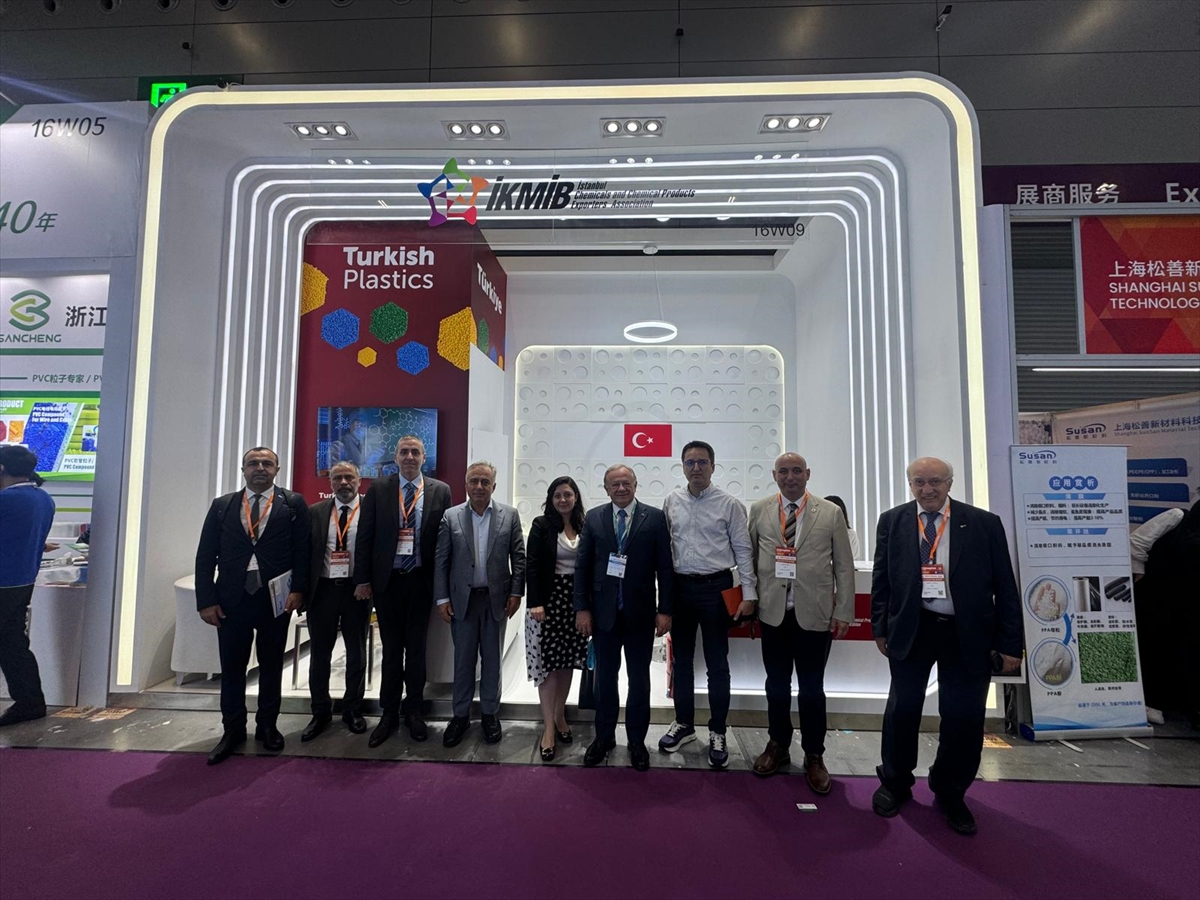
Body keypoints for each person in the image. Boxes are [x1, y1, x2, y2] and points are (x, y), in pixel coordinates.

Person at [871, 456, 1021, 835]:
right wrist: (880, 628)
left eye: (936, 481)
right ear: (910, 484)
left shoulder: (984, 523)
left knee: (963, 716)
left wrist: (1009, 644)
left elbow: (1005, 585)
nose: (928, 489)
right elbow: (882, 580)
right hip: (913, 628)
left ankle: (951, 790)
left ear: (950, 483)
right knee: (902, 709)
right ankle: (895, 781)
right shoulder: (892, 521)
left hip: (966, 632)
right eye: (919, 482)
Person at [195, 447, 310, 765]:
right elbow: (205, 555)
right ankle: (232, 731)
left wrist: (299, 590)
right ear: (243, 469)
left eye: (267, 463)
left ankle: (267, 727)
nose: (260, 468)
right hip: (231, 601)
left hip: (275, 599)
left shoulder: (293, 504)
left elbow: (303, 550)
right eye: (253, 463)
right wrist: (206, 600)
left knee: (272, 667)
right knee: (232, 669)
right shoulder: (223, 506)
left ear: (277, 469)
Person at [748, 453, 855, 792]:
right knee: (776, 686)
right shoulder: (760, 510)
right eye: (784, 471)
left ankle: (814, 754)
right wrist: (749, 599)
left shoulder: (830, 512)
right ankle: (778, 744)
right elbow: (750, 558)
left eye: (797, 471)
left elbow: (843, 566)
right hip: (773, 614)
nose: (790, 477)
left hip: (815, 615)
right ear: (774, 475)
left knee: (811, 689)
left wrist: (844, 611)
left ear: (808, 474)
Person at [660, 440, 757, 769]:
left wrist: (749, 595)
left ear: (713, 467)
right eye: (690, 462)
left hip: (717, 589)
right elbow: (666, 551)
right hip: (680, 589)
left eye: (702, 462)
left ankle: (718, 731)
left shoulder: (729, 505)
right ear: (683, 467)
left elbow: (743, 552)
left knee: (717, 665)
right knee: (682, 662)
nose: (696, 468)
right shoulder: (671, 501)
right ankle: (684, 724)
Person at [574, 465, 674, 771]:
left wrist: (665, 610)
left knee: (639, 680)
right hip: (603, 615)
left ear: (636, 484)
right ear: (606, 488)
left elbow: (665, 567)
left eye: (626, 483)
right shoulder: (594, 518)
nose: (621, 488)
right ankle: (603, 738)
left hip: (640, 615)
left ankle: (636, 741)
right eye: (614, 484)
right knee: (605, 680)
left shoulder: (654, 518)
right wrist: (582, 608)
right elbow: (582, 566)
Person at [354, 435, 452, 746]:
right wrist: (363, 579)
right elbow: (365, 535)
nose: (410, 457)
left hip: (421, 582)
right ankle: (388, 713)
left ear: (424, 458)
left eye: (415, 452)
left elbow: (445, 542)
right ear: (395, 457)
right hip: (388, 582)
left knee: (417, 649)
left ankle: (414, 711)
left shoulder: (441, 490)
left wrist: (444, 586)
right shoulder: (378, 489)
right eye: (404, 452)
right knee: (391, 650)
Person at [434, 461, 526, 748]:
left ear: (493, 486)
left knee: (492, 661)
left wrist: (516, 593)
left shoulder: (509, 515)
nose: (479, 487)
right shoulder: (451, 516)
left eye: (485, 482)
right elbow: (441, 560)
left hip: (496, 601)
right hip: (462, 602)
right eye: (474, 481)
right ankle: (460, 716)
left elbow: (519, 558)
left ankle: (489, 714)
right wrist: (442, 598)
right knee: (463, 661)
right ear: (466, 485)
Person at [300, 461, 370, 742]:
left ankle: (353, 709)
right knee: (320, 654)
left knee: (356, 653)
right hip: (323, 591)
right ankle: (320, 712)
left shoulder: (371, 510)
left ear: (359, 481)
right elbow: (305, 554)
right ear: (329, 483)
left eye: (348, 477)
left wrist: (368, 582)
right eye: (337, 478)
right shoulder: (315, 512)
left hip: (357, 590)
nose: (343, 483)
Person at [524, 476, 589, 761]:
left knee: (567, 663)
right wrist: (535, 602)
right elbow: (533, 565)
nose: (563, 500)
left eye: (568, 494)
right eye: (557, 495)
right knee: (549, 667)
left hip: (576, 602)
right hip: (548, 603)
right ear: (551, 499)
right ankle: (548, 728)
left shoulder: (585, 524)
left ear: (576, 497)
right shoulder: (541, 525)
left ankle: (560, 715)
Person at [0, 445, 55, 727]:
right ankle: (30, 701)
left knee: (11, 644)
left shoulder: (6, 500)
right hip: (22, 581)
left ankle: (29, 702)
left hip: (3, 581)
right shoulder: (43, 499)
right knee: (13, 643)